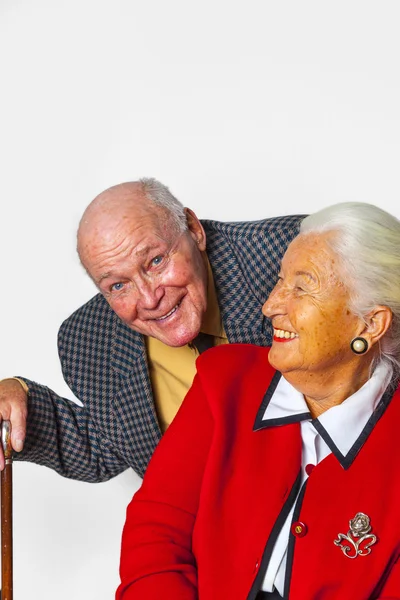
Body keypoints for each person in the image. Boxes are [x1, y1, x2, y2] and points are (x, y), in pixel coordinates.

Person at [116, 201, 400, 600]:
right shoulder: (224, 380)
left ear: (370, 323)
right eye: (280, 280)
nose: (271, 306)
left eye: (301, 287)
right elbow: (155, 533)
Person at [0, 178, 303, 479]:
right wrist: (20, 408)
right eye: (118, 285)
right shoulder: (89, 340)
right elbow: (105, 447)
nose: (149, 298)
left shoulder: (296, 253)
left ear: (194, 230)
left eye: (156, 261)